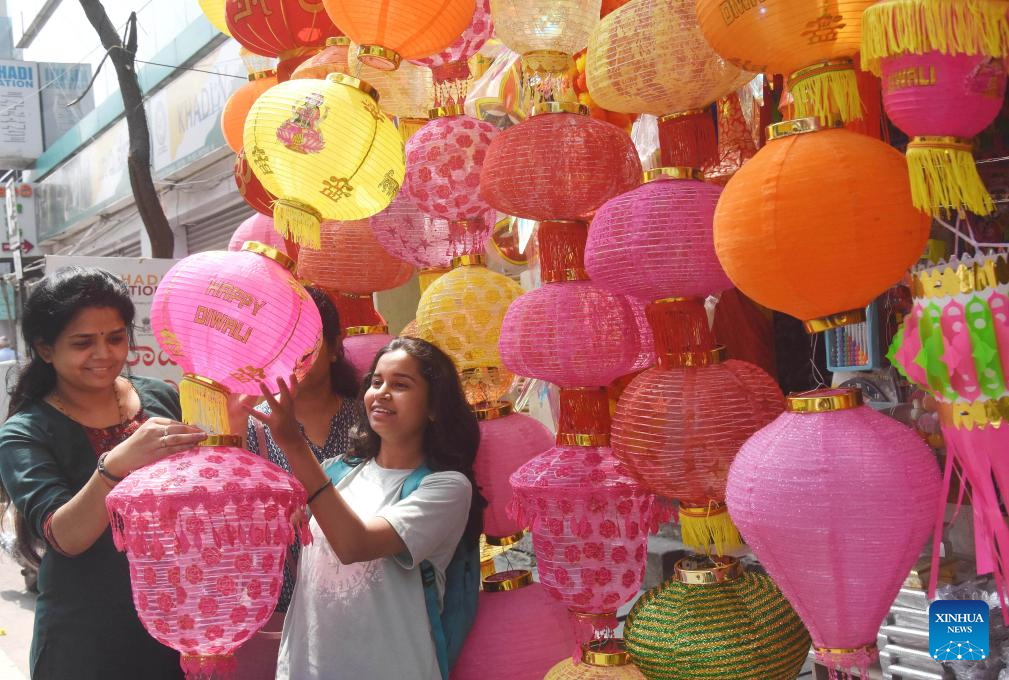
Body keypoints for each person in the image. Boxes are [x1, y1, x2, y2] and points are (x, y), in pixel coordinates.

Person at [0, 266, 206, 679]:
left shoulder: (160, 396)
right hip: (85, 637)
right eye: (83, 343)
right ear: (45, 349)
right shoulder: (24, 432)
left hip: (177, 621)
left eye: (115, 338)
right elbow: (66, 536)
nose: (105, 354)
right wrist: (114, 465)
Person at [248, 337, 485, 680]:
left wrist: (293, 444)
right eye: (376, 382)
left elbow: (354, 544)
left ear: (434, 407)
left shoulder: (445, 488)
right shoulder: (336, 471)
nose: (383, 392)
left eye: (400, 384)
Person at [229, 287, 360, 680]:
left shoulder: (368, 417)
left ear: (335, 347)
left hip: (363, 588)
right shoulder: (255, 425)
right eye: (279, 344)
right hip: (290, 601)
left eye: (306, 345)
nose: (293, 358)